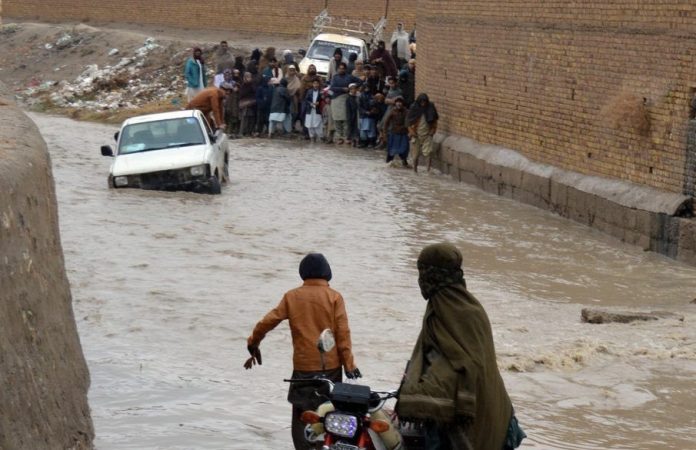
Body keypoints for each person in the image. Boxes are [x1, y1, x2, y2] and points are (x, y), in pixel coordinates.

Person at [395, 243, 526, 450]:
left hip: (473, 411)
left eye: (422, 272)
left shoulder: (462, 313)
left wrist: (416, 392)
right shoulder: (451, 307)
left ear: (432, 275)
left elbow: (467, 365)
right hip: (462, 411)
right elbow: (431, 358)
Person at [246, 253, 361, 450]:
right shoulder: (334, 297)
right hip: (331, 368)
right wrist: (350, 365)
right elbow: (343, 334)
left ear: (303, 273)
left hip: (303, 369)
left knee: (301, 416)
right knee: (328, 415)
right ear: (327, 273)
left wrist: (253, 343)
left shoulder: (292, 296)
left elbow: (268, 321)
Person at [329, 62, 363, 145]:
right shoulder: (335, 77)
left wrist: (352, 87)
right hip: (336, 100)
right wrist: (342, 89)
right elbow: (332, 88)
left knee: (345, 119)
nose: (341, 70)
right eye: (340, 68)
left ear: (345, 69)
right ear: (337, 69)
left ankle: (346, 137)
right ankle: (339, 137)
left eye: (343, 68)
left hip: (345, 99)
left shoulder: (349, 77)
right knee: (337, 119)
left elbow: (360, 82)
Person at [406, 93, 438, 172]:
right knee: (415, 155)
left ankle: (428, 170)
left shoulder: (430, 109)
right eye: (421, 102)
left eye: (424, 102)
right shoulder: (414, 109)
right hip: (416, 135)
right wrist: (412, 132)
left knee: (428, 153)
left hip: (427, 135)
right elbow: (408, 123)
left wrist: (432, 132)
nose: (423, 103)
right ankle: (415, 170)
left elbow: (434, 122)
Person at [382, 97, 409, 166]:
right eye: (397, 102)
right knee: (391, 150)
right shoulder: (392, 111)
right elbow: (386, 122)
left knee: (404, 149)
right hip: (394, 133)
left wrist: (407, 130)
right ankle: (389, 163)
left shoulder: (406, 112)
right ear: (395, 103)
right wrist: (384, 133)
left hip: (403, 133)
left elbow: (407, 123)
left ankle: (404, 162)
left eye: (400, 102)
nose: (399, 104)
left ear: (402, 104)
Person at [238, 72, 257, 136]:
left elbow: (254, 92)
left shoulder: (252, 85)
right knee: (244, 118)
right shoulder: (243, 85)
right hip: (245, 104)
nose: (249, 78)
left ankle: (249, 132)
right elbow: (242, 94)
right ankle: (242, 132)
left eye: (250, 77)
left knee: (251, 118)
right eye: (247, 77)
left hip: (252, 104)